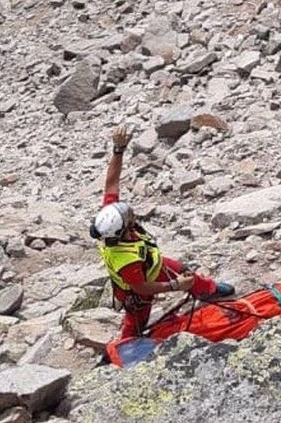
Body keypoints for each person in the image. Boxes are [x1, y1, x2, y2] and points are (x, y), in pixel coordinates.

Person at [91, 126, 235, 338]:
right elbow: (141, 288)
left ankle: (208, 289)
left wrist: (118, 150)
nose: (132, 214)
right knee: (135, 323)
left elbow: (111, 183)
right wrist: (174, 286)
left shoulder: (110, 223)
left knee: (186, 272)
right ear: (123, 231)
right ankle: (127, 344)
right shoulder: (127, 261)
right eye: (129, 218)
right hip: (139, 284)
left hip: (151, 263)